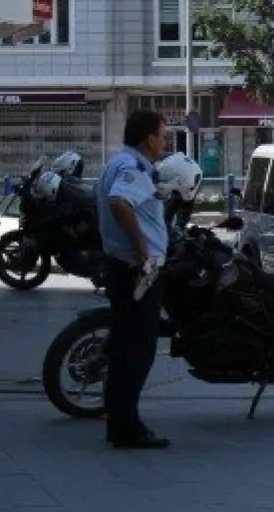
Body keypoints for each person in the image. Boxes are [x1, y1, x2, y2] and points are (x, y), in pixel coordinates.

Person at [94, 109, 172, 449]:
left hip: (120, 265)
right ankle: (127, 427)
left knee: (126, 345)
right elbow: (119, 202)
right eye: (163, 135)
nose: (165, 142)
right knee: (137, 350)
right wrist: (142, 248)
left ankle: (120, 421)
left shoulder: (116, 163)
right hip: (136, 270)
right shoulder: (134, 167)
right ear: (148, 139)